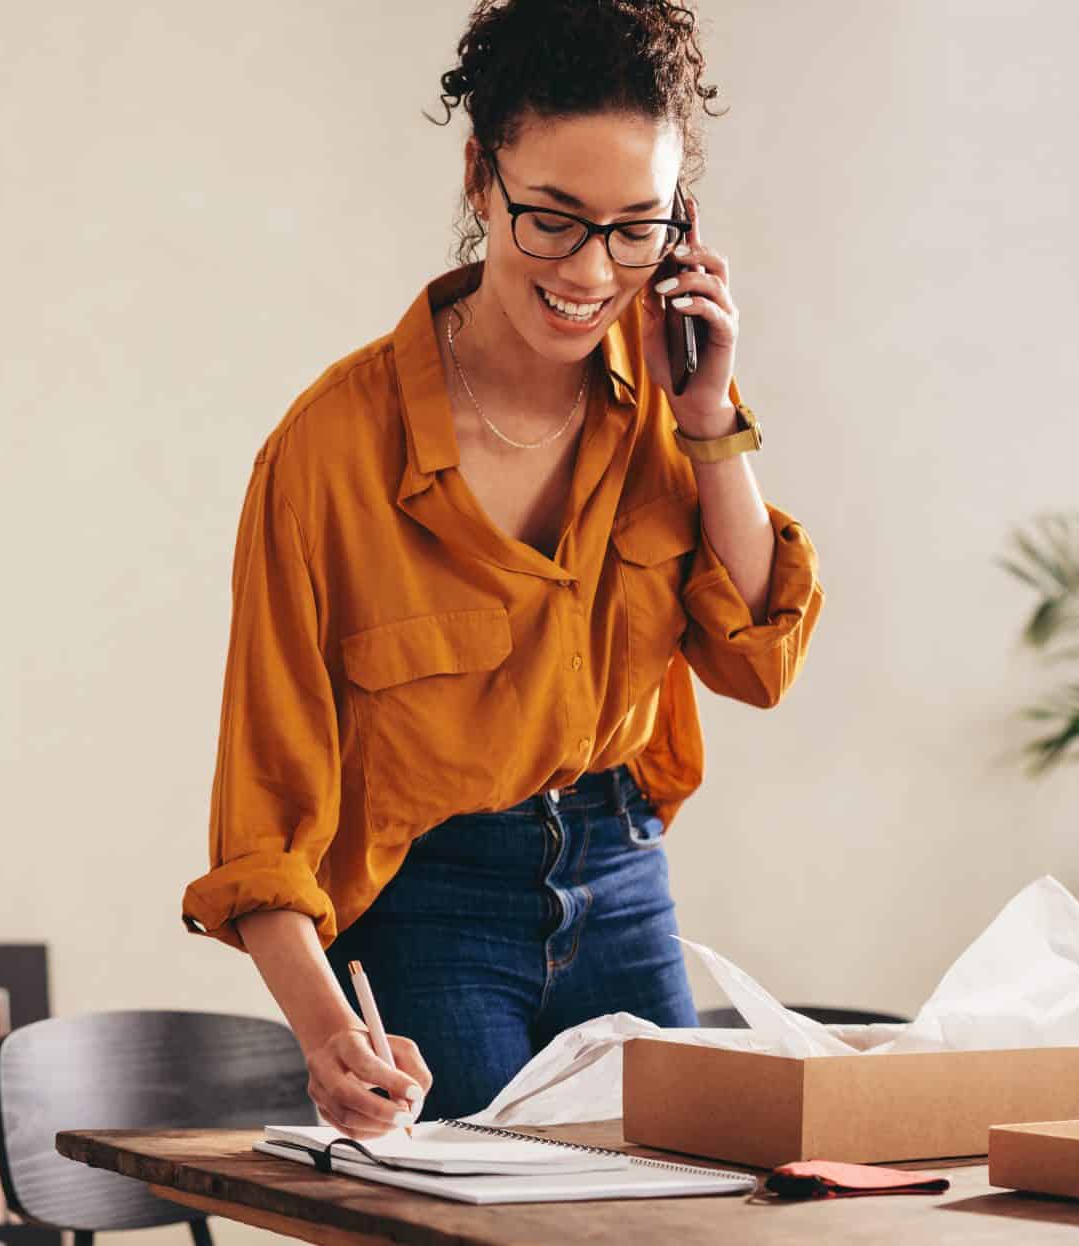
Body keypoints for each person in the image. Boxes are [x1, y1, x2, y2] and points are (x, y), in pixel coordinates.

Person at [180, 0, 822, 1139]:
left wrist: (711, 415)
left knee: (679, 1214)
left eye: (638, 228)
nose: (592, 271)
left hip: (622, 873)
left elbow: (757, 658)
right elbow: (262, 815)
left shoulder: (667, 397)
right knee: (495, 1221)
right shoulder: (329, 454)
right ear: (481, 178)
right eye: (553, 220)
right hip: (432, 903)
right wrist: (331, 1035)